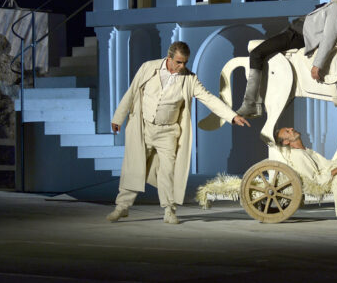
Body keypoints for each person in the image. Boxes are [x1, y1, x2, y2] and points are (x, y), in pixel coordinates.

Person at [106, 41, 251, 224]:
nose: (182, 66)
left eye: (185, 63)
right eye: (179, 62)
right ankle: (122, 208)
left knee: (168, 172)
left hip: (168, 132)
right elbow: (132, 91)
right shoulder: (149, 68)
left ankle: (169, 210)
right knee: (134, 168)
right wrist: (118, 117)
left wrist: (232, 116)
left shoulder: (189, 78)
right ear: (169, 58)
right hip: (144, 128)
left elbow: (209, 98)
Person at [236, 0, 337, 118]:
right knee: (261, 52)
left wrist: (317, 64)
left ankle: (250, 104)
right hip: (292, 32)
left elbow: (330, 36)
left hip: (296, 36)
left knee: (256, 53)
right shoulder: (331, 5)